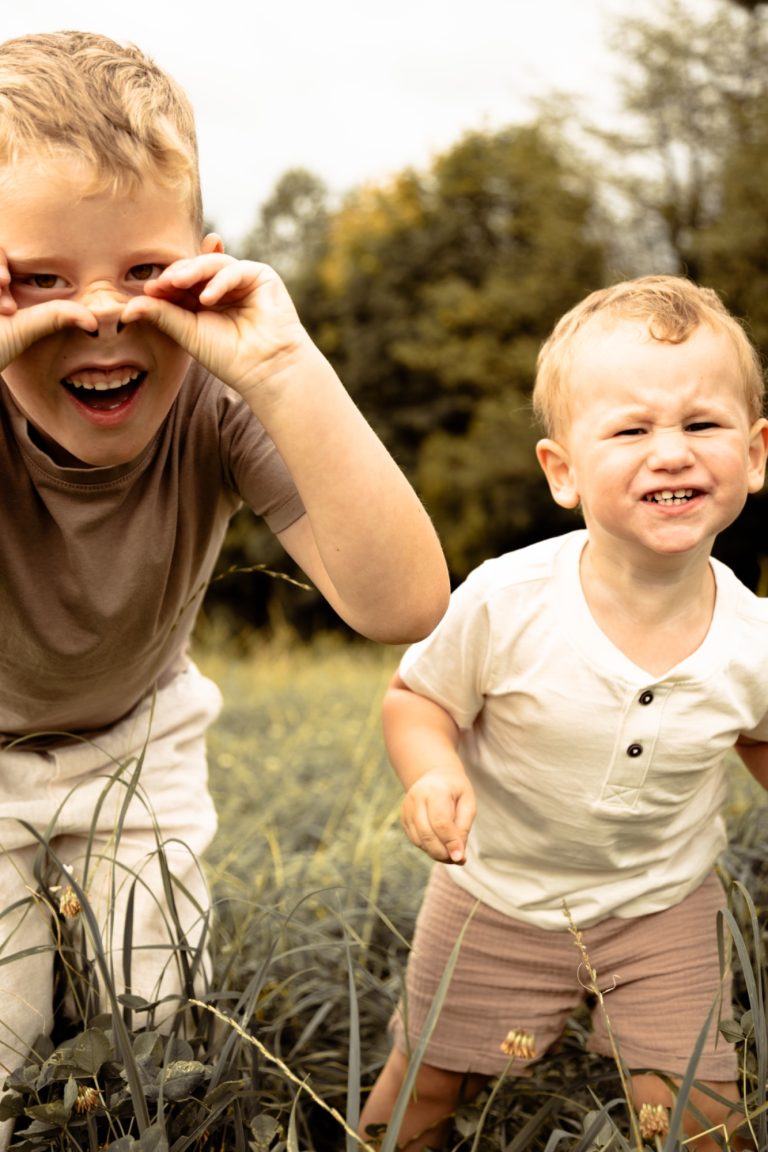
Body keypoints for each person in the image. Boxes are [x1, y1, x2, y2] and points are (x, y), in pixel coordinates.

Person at [0, 27, 450, 1121]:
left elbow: (404, 604)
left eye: (144, 273)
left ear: (205, 258)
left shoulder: (216, 400)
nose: (97, 314)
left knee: (159, 1039)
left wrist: (288, 369)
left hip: (136, 744)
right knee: (7, 1060)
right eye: (35, 281)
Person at [359, 275, 768, 1151]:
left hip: (663, 906)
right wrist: (432, 771)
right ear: (564, 471)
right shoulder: (509, 600)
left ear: (757, 453)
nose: (672, 452)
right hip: (495, 896)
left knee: (700, 1113)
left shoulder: (754, 640)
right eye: (631, 430)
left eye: (703, 424)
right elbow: (417, 697)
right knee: (425, 1085)